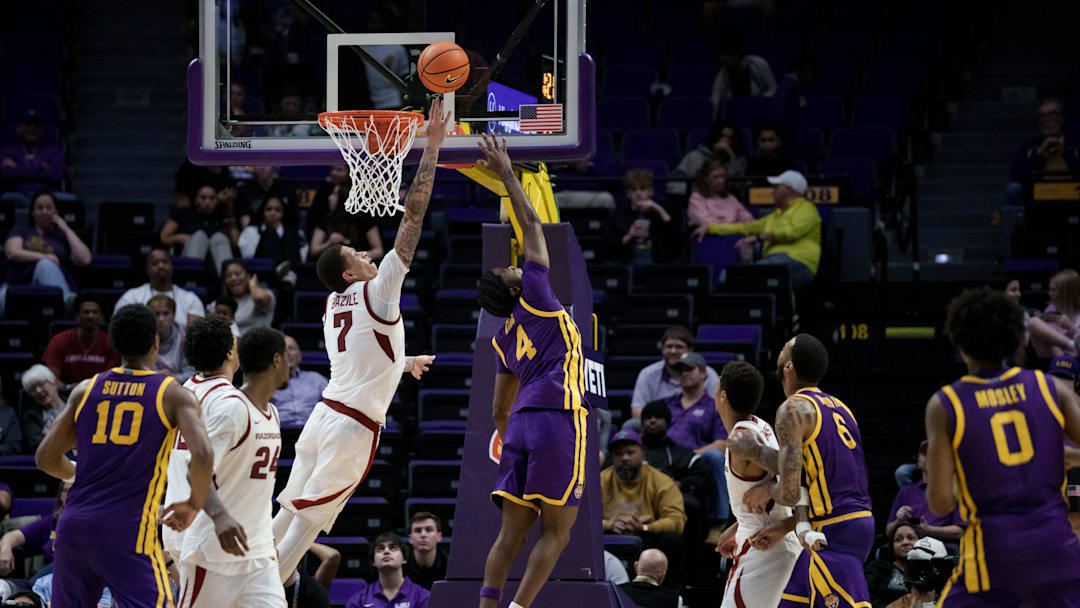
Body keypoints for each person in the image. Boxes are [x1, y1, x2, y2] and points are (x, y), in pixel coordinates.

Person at [273, 98, 449, 589]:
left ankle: (241, 586)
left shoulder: (334, 306)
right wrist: (430, 148)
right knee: (302, 530)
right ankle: (255, 598)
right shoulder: (377, 289)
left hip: (323, 417)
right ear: (351, 272)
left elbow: (362, 357)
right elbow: (411, 218)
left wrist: (402, 361)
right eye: (357, 253)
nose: (368, 254)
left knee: (288, 514)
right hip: (349, 426)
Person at [471, 135, 589, 608]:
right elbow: (533, 224)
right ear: (514, 288)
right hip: (558, 417)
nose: (512, 265)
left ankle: (488, 606)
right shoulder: (537, 296)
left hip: (520, 424)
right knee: (557, 533)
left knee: (509, 537)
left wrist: (517, 431)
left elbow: (498, 409)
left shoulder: (502, 337)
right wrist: (505, 171)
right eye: (507, 270)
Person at [34, 304, 215, 607]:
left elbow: (45, 459)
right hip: (127, 530)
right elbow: (204, 454)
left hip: (74, 527)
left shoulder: (85, 389)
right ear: (155, 342)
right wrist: (193, 504)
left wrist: (76, 473)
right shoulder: (172, 393)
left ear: (114, 344)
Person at [924, 286, 1080, 605]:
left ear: (960, 342)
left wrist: (973, 472)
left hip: (994, 559)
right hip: (1058, 551)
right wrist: (1070, 456)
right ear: (1016, 338)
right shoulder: (1049, 386)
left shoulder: (946, 404)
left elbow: (939, 503)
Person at [730, 334, 873, 608]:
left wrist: (767, 489)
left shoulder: (792, 409)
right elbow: (803, 468)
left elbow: (789, 491)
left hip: (833, 528)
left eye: (783, 349)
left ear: (789, 367)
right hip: (854, 521)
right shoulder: (842, 409)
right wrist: (757, 452)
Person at [175, 327, 290, 607]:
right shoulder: (232, 409)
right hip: (212, 556)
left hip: (257, 556)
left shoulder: (272, 412)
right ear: (276, 361)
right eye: (287, 357)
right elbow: (196, 468)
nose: (290, 364)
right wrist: (220, 517)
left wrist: (265, 538)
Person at [711, 360, 804, 608]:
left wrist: (776, 515)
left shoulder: (742, 439)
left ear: (723, 396)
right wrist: (740, 523)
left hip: (763, 549)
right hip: (771, 542)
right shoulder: (760, 425)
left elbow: (801, 473)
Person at [162, 314, 243, 565]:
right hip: (206, 527)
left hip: (176, 526)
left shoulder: (183, 389)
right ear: (229, 353)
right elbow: (203, 467)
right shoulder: (231, 402)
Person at [692, 170, 821, 291]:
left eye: (776, 187)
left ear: (788, 189)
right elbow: (744, 227)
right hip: (774, 260)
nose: (772, 191)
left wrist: (758, 237)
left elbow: (791, 232)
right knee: (730, 276)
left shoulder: (807, 208)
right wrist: (710, 227)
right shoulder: (774, 216)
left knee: (738, 276)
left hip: (798, 261)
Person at [601, 430, 686, 589]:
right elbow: (581, 521)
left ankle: (667, 594)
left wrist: (645, 527)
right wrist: (610, 524)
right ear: (612, 458)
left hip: (647, 536)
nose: (624, 458)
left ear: (643, 455)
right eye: (619, 454)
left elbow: (677, 520)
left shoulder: (661, 481)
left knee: (672, 539)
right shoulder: (600, 480)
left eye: (630, 452)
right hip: (609, 536)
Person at [655, 353, 731, 528]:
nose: (683, 374)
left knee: (714, 456)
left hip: (697, 460)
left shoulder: (715, 406)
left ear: (703, 373)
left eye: (689, 369)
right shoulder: (666, 404)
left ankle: (720, 521)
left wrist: (687, 456)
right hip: (665, 456)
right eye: (680, 370)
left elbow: (721, 444)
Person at [640, 401, 714, 545]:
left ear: (668, 423)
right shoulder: (630, 452)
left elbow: (701, 479)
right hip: (632, 502)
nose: (652, 420)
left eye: (658, 417)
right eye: (648, 417)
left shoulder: (682, 454)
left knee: (690, 503)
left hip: (668, 503)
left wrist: (679, 484)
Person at [2, 191, 91, 309]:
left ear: (56, 212)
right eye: (39, 208)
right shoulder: (22, 230)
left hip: (53, 287)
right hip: (19, 283)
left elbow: (85, 259)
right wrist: (44, 257)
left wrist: (65, 228)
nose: (44, 211)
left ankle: (67, 307)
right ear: (33, 213)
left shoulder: (62, 236)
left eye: (49, 208)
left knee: (45, 266)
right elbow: (12, 253)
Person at [629, 326, 720, 422]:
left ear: (690, 350)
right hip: (659, 428)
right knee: (631, 424)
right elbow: (637, 412)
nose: (673, 351)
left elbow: (717, 409)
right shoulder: (648, 374)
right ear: (662, 349)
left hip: (698, 424)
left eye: (679, 347)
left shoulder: (706, 373)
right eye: (669, 346)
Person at [885, 441, 965, 543]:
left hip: (939, 548)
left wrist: (928, 530)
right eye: (925, 453)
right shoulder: (906, 492)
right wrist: (899, 521)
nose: (930, 456)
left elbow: (959, 531)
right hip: (908, 546)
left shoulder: (953, 491)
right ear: (919, 461)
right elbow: (888, 532)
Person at [1007, 97, 1080, 205]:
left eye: (1053, 114)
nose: (1048, 119)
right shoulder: (1027, 148)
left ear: (1063, 119)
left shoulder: (1075, 145)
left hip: (1072, 195)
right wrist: (1039, 152)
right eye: (1043, 116)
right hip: (1037, 197)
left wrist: (1066, 151)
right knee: (1013, 189)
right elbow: (1016, 176)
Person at [42, 292, 120, 390]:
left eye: (95, 312)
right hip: (66, 394)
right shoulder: (59, 340)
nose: (90, 316)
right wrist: (69, 388)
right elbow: (51, 379)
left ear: (102, 316)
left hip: (99, 394)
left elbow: (111, 380)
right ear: (77, 315)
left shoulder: (111, 343)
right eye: (86, 312)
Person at [160, 183, 239, 277]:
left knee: (219, 237)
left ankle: (227, 282)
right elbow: (164, 237)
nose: (207, 201)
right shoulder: (184, 213)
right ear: (196, 200)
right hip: (188, 257)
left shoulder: (222, 215)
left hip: (214, 261)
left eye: (212, 198)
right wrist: (179, 237)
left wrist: (230, 214)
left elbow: (235, 242)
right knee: (200, 236)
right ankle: (192, 280)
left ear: (217, 201)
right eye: (203, 198)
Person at [114, 249, 206, 328]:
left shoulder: (190, 299)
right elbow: (118, 328)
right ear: (147, 269)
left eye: (165, 262)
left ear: (172, 266)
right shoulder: (131, 297)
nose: (161, 266)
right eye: (155, 263)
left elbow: (195, 336)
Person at [0, 481, 70, 580]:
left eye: (77, 490)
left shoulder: (95, 522)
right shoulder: (52, 522)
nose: (72, 495)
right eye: (68, 490)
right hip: (48, 581)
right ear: (61, 495)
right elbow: (13, 536)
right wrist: (5, 548)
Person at [611, 168, 676, 266]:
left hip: (656, 269)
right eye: (633, 189)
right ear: (628, 193)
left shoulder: (659, 214)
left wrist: (658, 209)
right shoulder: (617, 215)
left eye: (642, 189)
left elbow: (676, 240)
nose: (638, 193)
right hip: (626, 267)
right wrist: (629, 235)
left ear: (651, 191)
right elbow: (609, 249)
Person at [345, 533, 429, 608]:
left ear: (404, 559)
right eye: (380, 549)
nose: (386, 551)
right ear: (374, 562)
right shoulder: (358, 601)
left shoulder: (423, 597)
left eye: (393, 548)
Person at [307, 181, 383, 262]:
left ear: (345, 197)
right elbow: (314, 251)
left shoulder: (364, 220)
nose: (330, 197)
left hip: (359, 266)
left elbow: (378, 251)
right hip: (332, 265)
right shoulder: (326, 220)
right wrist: (329, 243)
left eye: (334, 194)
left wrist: (355, 256)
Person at [670, 120, 747, 196]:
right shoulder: (693, 157)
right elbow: (673, 185)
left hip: (725, 203)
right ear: (714, 137)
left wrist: (732, 160)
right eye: (722, 136)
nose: (725, 141)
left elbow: (739, 189)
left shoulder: (739, 162)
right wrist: (692, 191)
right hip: (696, 201)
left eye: (730, 138)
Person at [237, 197, 304, 280]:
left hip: (290, 270)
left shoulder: (291, 233)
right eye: (269, 209)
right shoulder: (251, 231)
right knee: (269, 231)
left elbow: (301, 257)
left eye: (277, 210)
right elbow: (248, 257)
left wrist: (279, 231)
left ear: (284, 213)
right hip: (262, 270)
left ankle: (288, 274)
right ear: (262, 211)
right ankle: (284, 271)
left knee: (291, 233)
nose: (273, 213)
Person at [271, 335, 329, 429]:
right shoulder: (267, 382)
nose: (288, 353)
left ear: (300, 356)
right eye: (283, 349)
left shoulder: (317, 380)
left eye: (291, 348)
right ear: (276, 357)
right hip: (278, 433)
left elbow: (333, 408)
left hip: (312, 432)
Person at [709, 34, 777, 115]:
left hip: (760, 113)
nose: (722, 64)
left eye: (725, 60)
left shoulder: (759, 65)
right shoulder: (723, 76)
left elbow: (773, 89)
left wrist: (759, 102)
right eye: (720, 61)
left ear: (736, 56)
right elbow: (715, 100)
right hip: (735, 117)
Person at [211, 260, 276, 335]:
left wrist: (252, 283)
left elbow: (259, 297)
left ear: (248, 276)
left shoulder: (263, 294)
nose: (233, 278)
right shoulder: (222, 303)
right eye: (228, 276)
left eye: (238, 274)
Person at [865, 523, 921, 608]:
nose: (905, 542)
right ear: (892, 546)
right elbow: (865, 596)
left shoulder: (930, 572)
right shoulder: (877, 568)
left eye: (911, 538)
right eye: (899, 539)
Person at [0, 111, 64, 184]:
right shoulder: (7, 151)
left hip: (47, 191)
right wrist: (40, 168)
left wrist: (16, 168)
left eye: (36, 124)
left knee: (68, 196)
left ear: (42, 130)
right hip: (16, 192)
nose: (32, 127)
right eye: (27, 124)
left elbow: (57, 175)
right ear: (19, 129)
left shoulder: (54, 151)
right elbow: (4, 174)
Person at [1028, 268, 1080, 357]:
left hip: (1076, 359)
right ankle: (1073, 345)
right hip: (1058, 357)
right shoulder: (1051, 308)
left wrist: (1070, 327)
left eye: (1054, 290)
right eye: (1050, 289)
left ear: (1067, 292)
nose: (1049, 294)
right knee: (1034, 322)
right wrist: (1043, 322)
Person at [687, 159, 754, 228]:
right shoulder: (696, 198)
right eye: (716, 177)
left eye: (723, 176)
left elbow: (749, 219)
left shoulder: (730, 198)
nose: (720, 181)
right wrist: (735, 226)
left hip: (734, 235)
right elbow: (706, 222)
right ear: (705, 178)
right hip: (709, 237)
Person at [147, 295, 194, 382]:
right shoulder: (142, 337)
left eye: (166, 313)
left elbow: (192, 374)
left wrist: (173, 378)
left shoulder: (186, 337)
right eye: (156, 314)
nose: (161, 319)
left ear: (173, 315)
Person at [20, 365, 64, 455]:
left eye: (41, 384)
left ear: (53, 382)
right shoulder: (30, 417)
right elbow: (37, 445)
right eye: (32, 389)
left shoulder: (76, 406)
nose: (38, 391)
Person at [405, 512, 447, 590]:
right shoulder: (400, 566)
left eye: (429, 530)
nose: (423, 535)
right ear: (410, 538)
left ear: (439, 536)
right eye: (418, 530)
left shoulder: (449, 566)